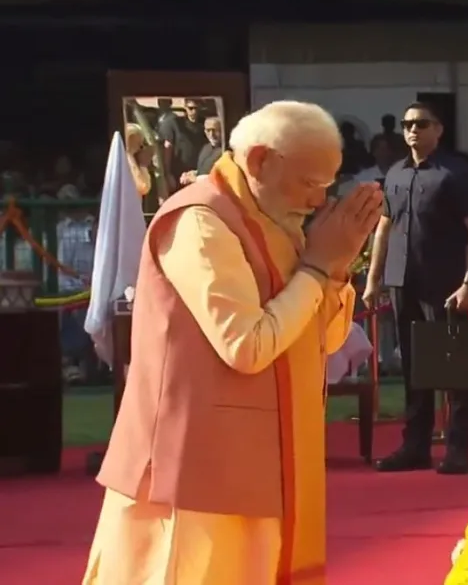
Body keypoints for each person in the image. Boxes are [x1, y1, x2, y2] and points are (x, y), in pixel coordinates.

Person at [84, 101, 382, 585]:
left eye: (328, 187)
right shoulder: (200, 220)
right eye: (310, 184)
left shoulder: (276, 222)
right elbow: (246, 345)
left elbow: (325, 340)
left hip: (264, 463)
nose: (317, 201)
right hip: (192, 473)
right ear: (261, 160)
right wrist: (316, 269)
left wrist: (337, 268)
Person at [367, 101, 468, 475]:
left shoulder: (457, 173)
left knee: (455, 365)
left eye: (421, 124)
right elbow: (384, 226)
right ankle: (415, 445)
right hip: (404, 279)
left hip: (447, 281)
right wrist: (374, 278)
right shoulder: (396, 173)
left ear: (438, 129)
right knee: (414, 366)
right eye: (407, 124)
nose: (412, 130)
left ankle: (457, 448)